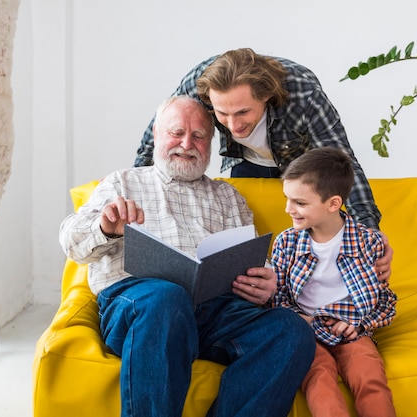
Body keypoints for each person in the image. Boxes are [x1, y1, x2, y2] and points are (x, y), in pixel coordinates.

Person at [59, 95, 316, 417]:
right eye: (176, 132)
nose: (186, 143)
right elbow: (71, 241)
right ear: (156, 134)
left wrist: (264, 284)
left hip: (216, 312)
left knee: (290, 330)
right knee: (166, 297)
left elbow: (250, 259)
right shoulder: (123, 182)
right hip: (143, 308)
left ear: (210, 143)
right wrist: (105, 227)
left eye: (198, 136)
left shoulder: (228, 196)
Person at [135, 47, 393, 281]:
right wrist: (134, 185)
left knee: (310, 236)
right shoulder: (198, 83)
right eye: (222, 113)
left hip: (300, 166)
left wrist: (370, 231)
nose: (234, 126)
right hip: (247, 164)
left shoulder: (304, 93)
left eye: (243, 112)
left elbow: (342, 161)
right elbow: (157, 133)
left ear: (266, 96)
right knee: (245, 241)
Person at [271, 147, 397, 417]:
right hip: (306, 331)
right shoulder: (286, 242)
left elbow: (384, 300)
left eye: (300, 203)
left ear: (333, 203)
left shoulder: (368, 243)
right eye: (287, 199)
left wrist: (360, 324)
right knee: (319, 379)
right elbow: (278, 297)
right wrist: (300, 319)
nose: (288, 209)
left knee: (369, 377)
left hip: (351, 329)